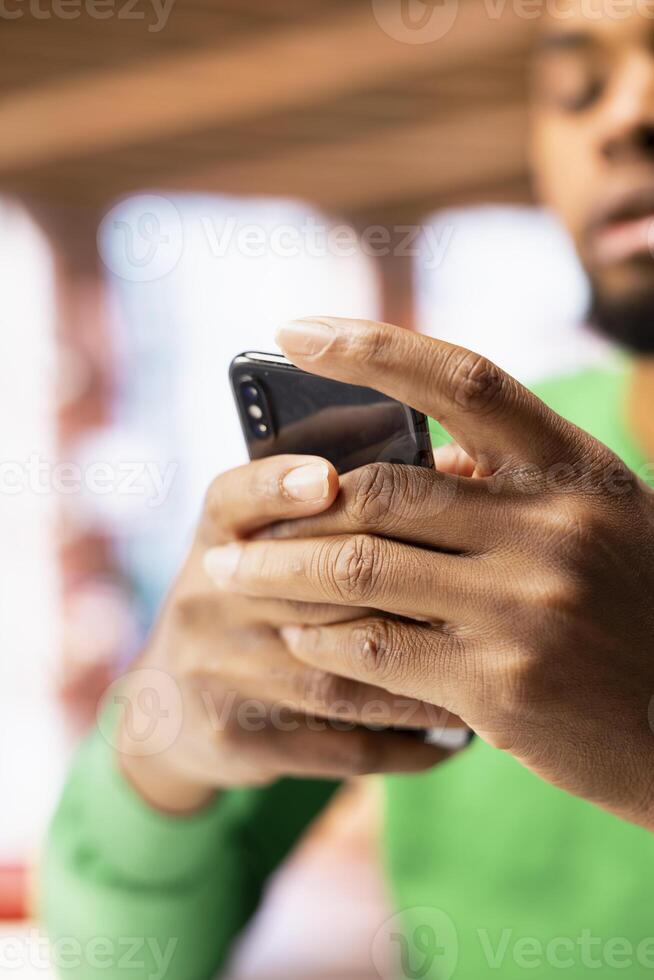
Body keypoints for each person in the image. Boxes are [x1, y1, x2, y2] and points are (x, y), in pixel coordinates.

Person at [43, 6, 654, 979]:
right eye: (575, 89)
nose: (623, 117)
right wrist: (165, 747)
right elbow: (115, 958)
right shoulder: (475, 487)